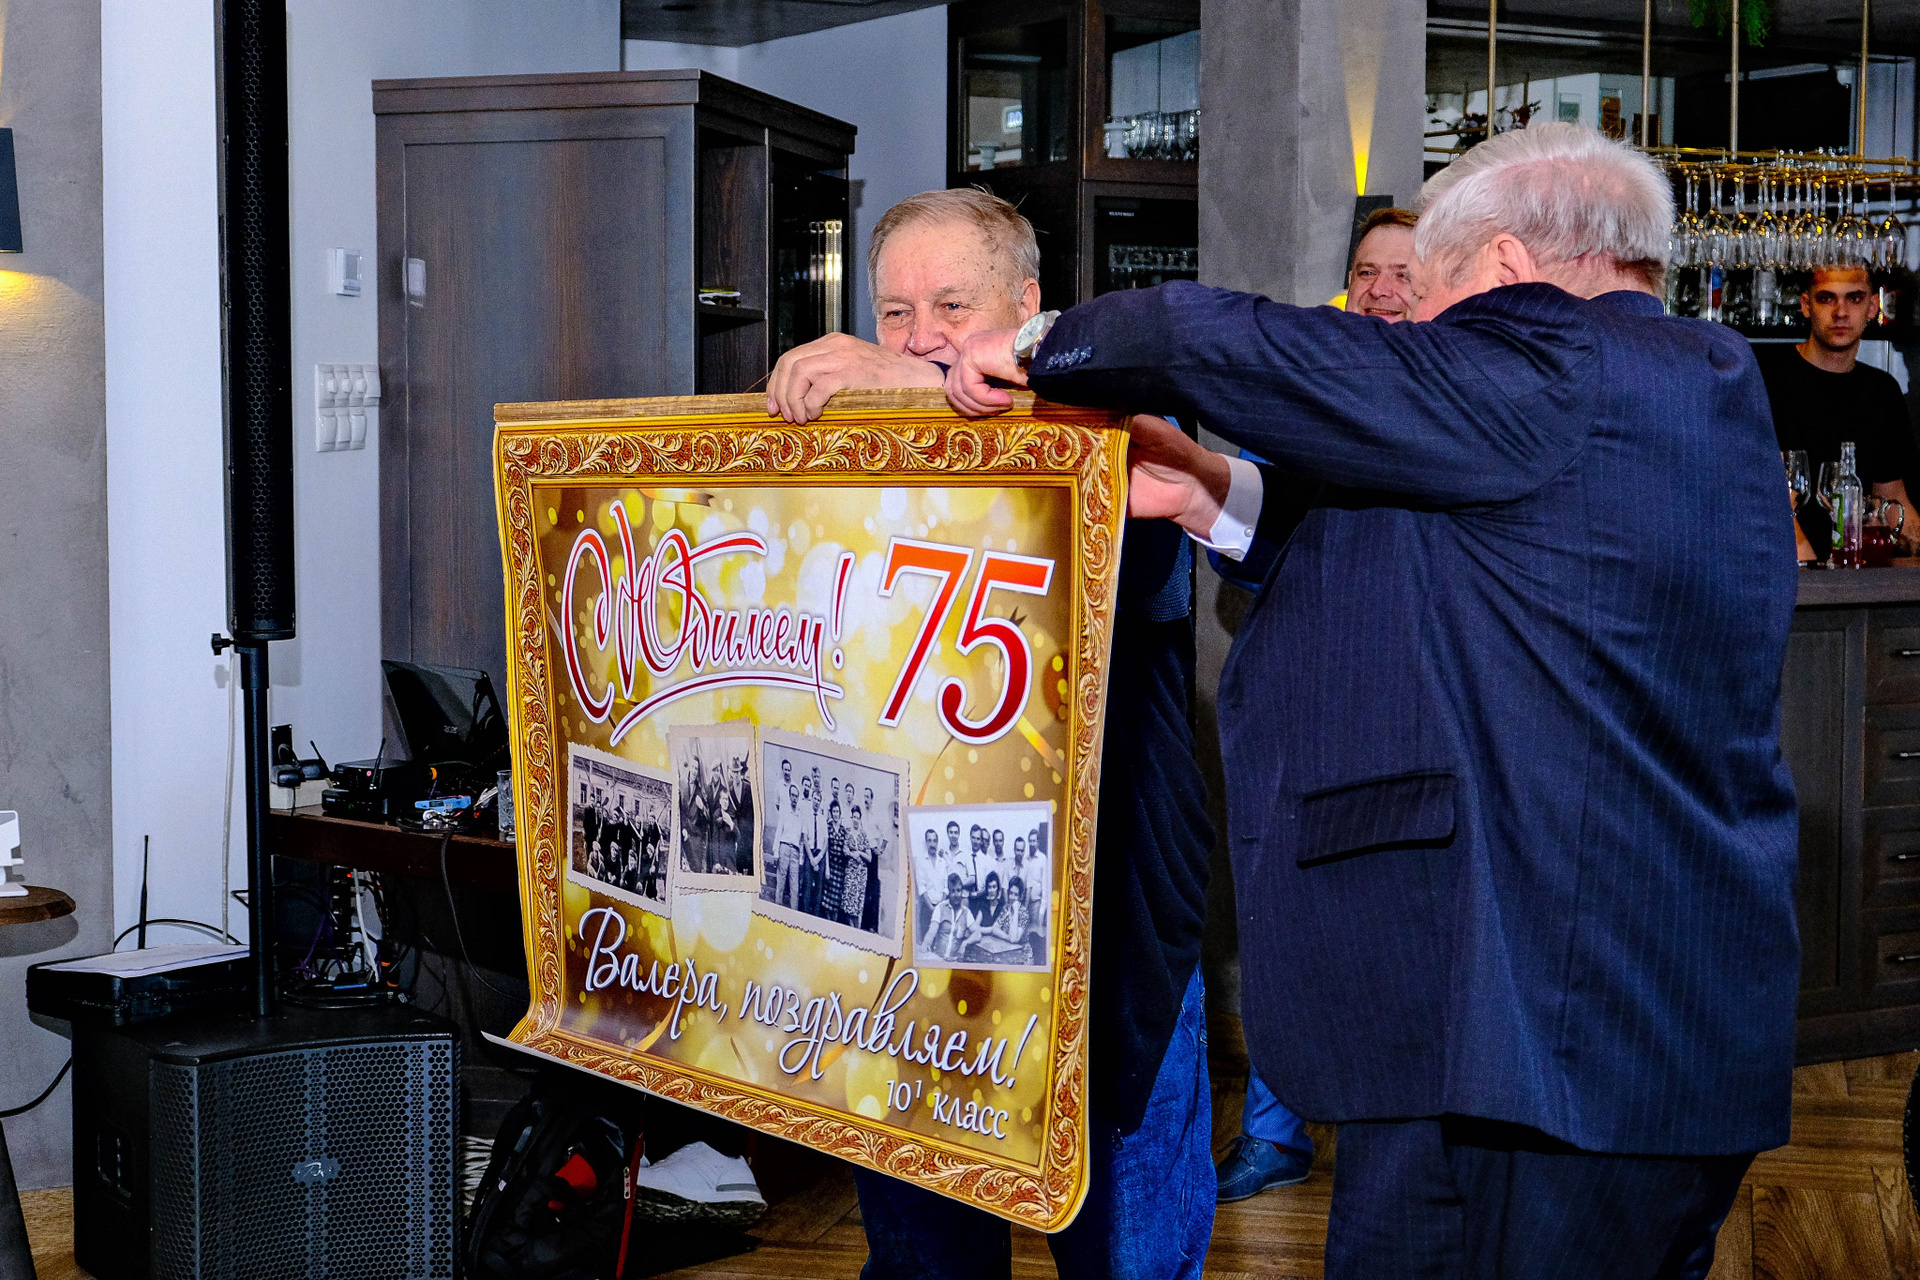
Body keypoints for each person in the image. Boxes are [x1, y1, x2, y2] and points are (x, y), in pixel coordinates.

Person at [943, 123, 1799, 1278]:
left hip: (1565, 1032)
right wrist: (1206, 493)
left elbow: (1218, 339)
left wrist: (1023, 348)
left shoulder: (1559, 359)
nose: (1410, 332)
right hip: (1505, 1008)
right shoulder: (1686, 380)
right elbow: (1454, 545)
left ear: (1505, 270)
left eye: (1426, 302)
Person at [767, 186, 1216, 1280]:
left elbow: (1134, 472)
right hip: (907, 972)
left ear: (1028, 305)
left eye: (952, 306)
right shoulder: (856, 460)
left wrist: (917, 389)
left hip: (1107, 949)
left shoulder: (1120, 414)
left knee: (1129, 1259)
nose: (921, 335)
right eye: (895, 313)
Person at [1206, 210, 1424, 1207]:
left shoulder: (1460, 394)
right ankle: (1275, 1130)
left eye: (1401, 273)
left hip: (1411, 699)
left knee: (1395, 919)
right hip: (1297, 686)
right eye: (1365, 271)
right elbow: (1235, 548)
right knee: (1280, 908)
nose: (1381, 289)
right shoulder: (1297, 387)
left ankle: (1398, 1135)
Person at [1758, 262, 1920, 559]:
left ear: (1873, 307)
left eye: (1854, 298)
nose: (1841, 312)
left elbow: (1893, 500)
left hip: (1853, 573)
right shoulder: (1765, 378)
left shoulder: (1881, 390)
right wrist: (1810, 568)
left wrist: (1914, 545)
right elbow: (1762, 496)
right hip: (1779, 567)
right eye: (1826, 298)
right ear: (1806, 305)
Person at [925, 874, 980, 963]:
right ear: (949, 892)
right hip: (937, 959)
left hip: (955, 962)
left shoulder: (966, 913)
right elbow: (931, 932)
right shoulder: (940, 908)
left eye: (958, 890)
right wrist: (926, 944)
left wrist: (965, 943)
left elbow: (977, 934)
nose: (956, 895)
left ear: (962, 891)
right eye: (953, 891)